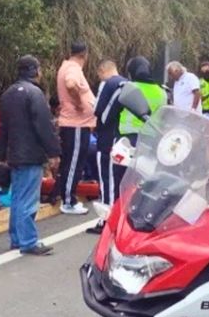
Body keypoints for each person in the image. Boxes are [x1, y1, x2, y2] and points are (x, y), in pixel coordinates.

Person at [0, 56, 61, 256]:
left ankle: (17, 238)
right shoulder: (35, 94)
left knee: (17, 198)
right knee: (28, 199)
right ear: (35, 71)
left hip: (14, 154)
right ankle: (29, 241)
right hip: (31, 154)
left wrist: (1, 153)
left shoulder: (7, 94)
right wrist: (53, 152)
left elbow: (2, 127)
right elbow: (43, 126)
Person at [55, 41, 96, 215]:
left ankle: (67, 197)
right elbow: (71, 84)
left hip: (76, 125)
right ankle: (69, 201)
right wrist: (79, 103)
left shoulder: (67, 66)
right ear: (84, 55)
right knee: (73, 163)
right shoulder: (73, 69)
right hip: (76, 125)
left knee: (71, 162)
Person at [87, 60, 127, 234]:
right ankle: (119, 218)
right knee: (118, 181)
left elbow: (97, 109)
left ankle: (107, 220)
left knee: (107, 179)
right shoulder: (128, 84)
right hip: (121, 138)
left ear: (103, 70)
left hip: (106, 139)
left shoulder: (108, 84)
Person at [116, 57, 168, 189]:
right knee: (144, 178)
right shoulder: (162, 92)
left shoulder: (129, 87)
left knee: (121, 179)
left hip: (127, 139)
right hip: (151, 139)